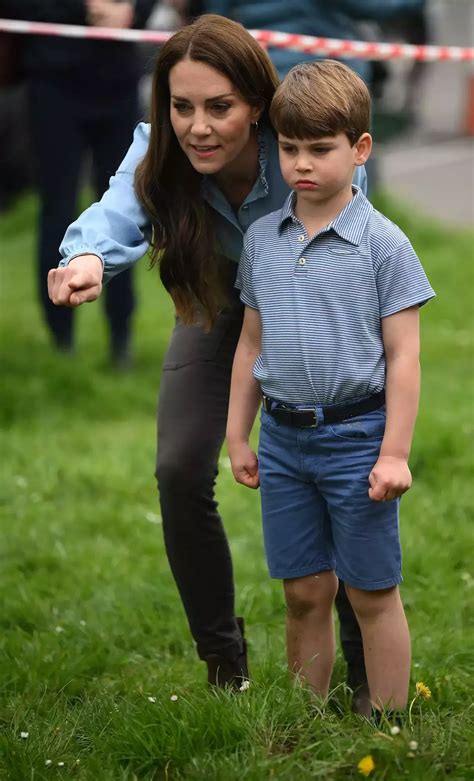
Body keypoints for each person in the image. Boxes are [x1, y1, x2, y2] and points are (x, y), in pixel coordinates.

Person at [48, 14, 369, 705]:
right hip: (218, 305)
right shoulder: (159, 150)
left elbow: (356, 247)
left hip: (313, 306)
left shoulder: (297, 150)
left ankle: (366, 672)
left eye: (219, 107)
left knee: (339, 474)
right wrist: (84, 259)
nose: (197, 125)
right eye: (182, 105)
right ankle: (226, 664)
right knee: (177, 467)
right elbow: (114, 207)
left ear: (256, 104)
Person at [226, 59, 435, 715]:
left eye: (320, 149)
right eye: (289, 148)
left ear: (360, 147)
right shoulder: (262, 239)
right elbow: (251, 344)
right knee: (304, 590)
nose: (301, 164)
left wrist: (394, 452)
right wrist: (237, 432)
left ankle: (392, 722)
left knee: (372, 591)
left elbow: (404, 357)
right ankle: (305, 720)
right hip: (284, 444)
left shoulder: (385, 244)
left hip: (357, 441)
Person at [1, 0, 155, 362]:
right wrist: (83, 8)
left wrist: (132, 12)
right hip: (54, 82)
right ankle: (61, 341)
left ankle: (121, 336)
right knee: (57, 208)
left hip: (117, 80)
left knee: (129, 205)